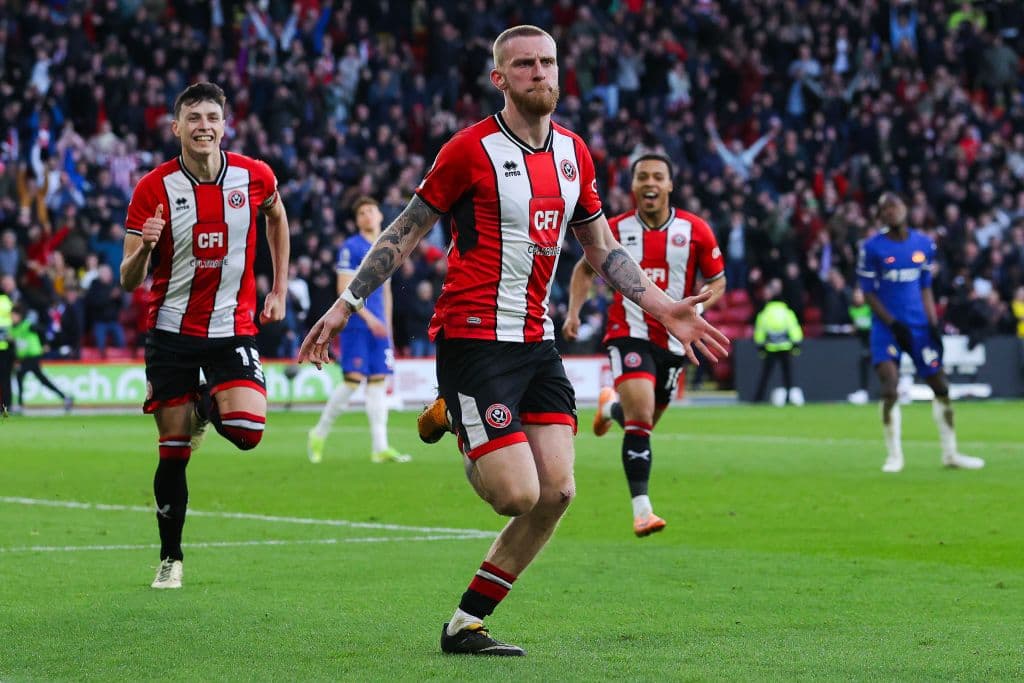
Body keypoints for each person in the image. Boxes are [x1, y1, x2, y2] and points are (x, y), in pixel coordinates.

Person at [298, 25, 729, 656]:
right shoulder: (469, 150)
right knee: (515, 494)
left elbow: (602, 250)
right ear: (500, 78)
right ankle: (457, 414)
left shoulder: (575, 154)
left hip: (535, 343)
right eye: (524, 65)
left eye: (548, 62)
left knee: (556, 492)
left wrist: (667, 309)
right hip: (473, 341)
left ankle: (465, 622)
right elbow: (408, 230)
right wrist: (346, 303)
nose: (539, 73)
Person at [120, 82, 290, 589]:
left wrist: (279, 287)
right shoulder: (153, 188)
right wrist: (144, 250)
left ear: (225, 124)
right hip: (170, 329)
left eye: (212, 116)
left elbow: (277, 218)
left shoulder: (254, 176)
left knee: (247, 432)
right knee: (173, 450)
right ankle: (171, 557)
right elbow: (129, 280)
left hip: (231, 325)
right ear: (177, 128)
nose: (203, 126)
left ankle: (201, 404)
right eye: (193, 118)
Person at [563, 153, 726, 537]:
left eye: (658, 177)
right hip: (628, 332)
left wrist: (700, 306)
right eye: (642, 177)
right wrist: (573, 313)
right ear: (633, 186)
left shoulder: (695, 230)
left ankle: (610, 406)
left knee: (644, 421)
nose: (650, 183)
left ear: (670, 185)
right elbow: (585, 268)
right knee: (640, 421)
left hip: (674, 341)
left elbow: (717, 280)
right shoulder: (614, 229)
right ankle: (642, 510)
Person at [856, 193, 983, 472]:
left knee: (941, 386)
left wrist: (933, 323)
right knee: (889, 385)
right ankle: (894, 456)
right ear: (880, 216)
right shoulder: (872, 248)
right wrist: (892, 323)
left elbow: (925, 287)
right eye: (885, 208)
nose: (891, 211)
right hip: (887, 328)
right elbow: (868, 295)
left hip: (919, 325)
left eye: (895, 205)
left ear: (905, 209)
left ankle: (951, 453)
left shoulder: (924, 244)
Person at [306, 196, 411, 464]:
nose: (367, 215)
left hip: (378, 328)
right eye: (361, 212)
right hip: (356, 324)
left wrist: (385, 324)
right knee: (353, 380)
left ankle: (380, 447)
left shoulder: (388, 245)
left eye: (370, 210)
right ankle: (318, 433)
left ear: (379, 215)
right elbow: (344, 287)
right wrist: (370, 319)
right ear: (357, 220)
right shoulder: (351, 247)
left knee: (378, 382)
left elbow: (386, 289)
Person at [11, 304, 73, 412]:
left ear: (20, 316)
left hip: (33, 356)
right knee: (42, 380)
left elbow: (43, 330)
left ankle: (20, 405)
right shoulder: (13, 329)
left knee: (20, 374)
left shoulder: (28, 326)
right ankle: (65, 397)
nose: (12, 317)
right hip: (24, 357)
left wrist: (45, 343)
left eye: (14, 315)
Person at [752, 280, 804, 405]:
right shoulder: (787, 312)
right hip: (786, 347)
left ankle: (758, 398)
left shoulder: (764, 314)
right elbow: (794, 329)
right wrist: (797, 344)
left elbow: (760, 332)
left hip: (770, 348)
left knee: (765, 375)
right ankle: (788, 398)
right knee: (788, 376)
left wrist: (760, 347)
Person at [0, 287, 12, 415]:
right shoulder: (8, 301)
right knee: (5, 380)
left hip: (3, 347)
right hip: (7, 347)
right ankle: (6, 407)